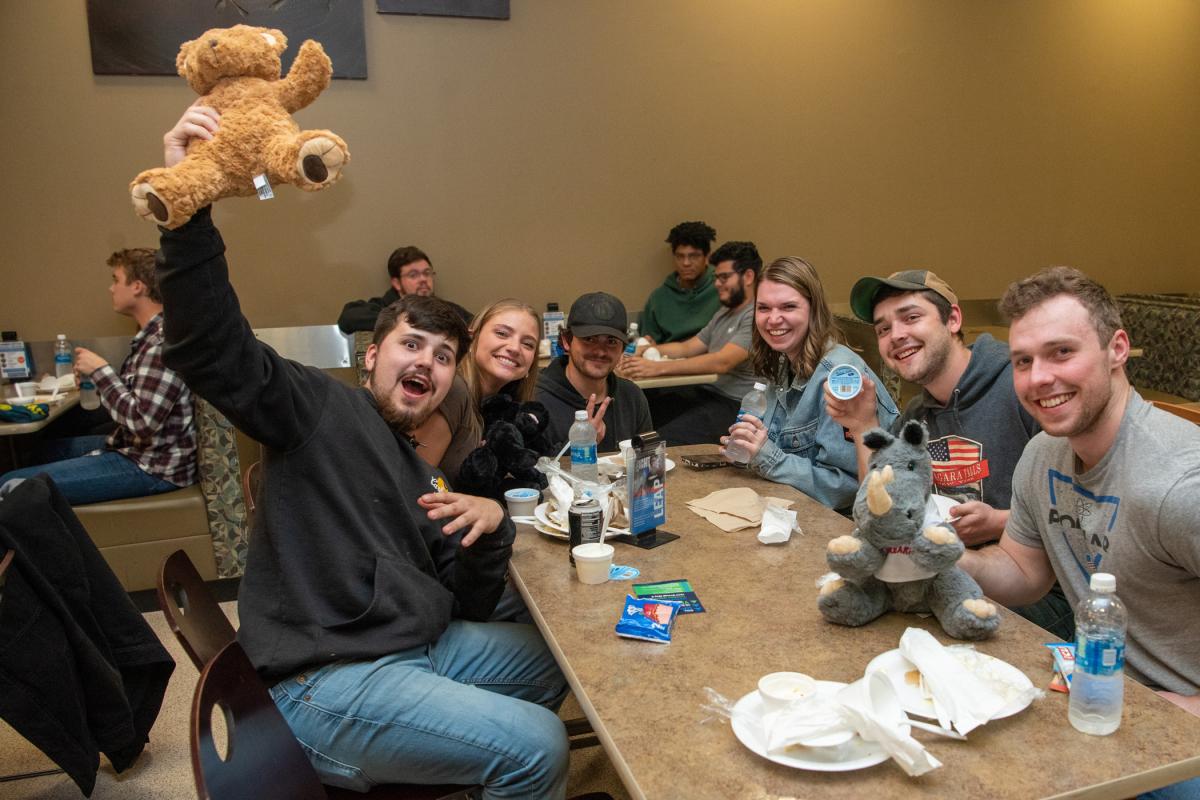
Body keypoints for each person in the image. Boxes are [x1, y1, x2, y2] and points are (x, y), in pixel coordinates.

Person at [156, 105, 570, 798]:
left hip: (415, 647)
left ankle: (456, 760)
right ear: (372, 356)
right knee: (538, 746)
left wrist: (490, 527)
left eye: (444, 356)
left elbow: (465, 599)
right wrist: (186, 211)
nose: (427, 363)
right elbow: (211, 350)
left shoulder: (420, 469)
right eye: (411, 345)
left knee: (562, 659)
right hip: (324, 681)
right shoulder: (316, 407)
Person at [959, 267, 1200, 729]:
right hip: (1102, 698)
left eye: (1062, 352)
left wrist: (1189, 710)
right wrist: (950, 560)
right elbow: (1023, 572)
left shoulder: (1179, 482)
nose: (1038, 378)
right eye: (1023, 361)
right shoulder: (1043, 454)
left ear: (1118, 349)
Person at [828, 269, 1071, 638]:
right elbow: (881, 504)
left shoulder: (1022, 387)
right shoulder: (917, 416)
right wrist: (863, 425)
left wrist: (1001, 521)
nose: (896, 335)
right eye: (883, 329)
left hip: (1042, 593)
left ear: (953, 319)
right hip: (947, 570)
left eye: (911, 317)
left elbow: (1082, 509)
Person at [0, 249, 197, 505]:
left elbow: (143, 422)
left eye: (116, 279)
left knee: (9, 484)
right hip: (138, 448)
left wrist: (101, 372)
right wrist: (97, 381)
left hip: (154, 466)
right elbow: (140, 399)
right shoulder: (152, 336)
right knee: (42, 451)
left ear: (137, 286)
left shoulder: (161, 343)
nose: (111, 288)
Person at [722, 257, 898, 512]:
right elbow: (772, 448)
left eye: (788, 307)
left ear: (813, 310)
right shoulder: (783, 361)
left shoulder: (837, 377)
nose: (773, 319)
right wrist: (747, 448)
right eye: (764, 308)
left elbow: (846, 489)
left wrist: (766, 457)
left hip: (846, 522)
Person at [621, 240, 761, 445]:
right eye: (716, 278)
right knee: (640, 410)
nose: (717, 284)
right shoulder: (724, 312)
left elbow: (722, 362)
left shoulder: (757, 315)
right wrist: (646, 349)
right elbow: (687, 347)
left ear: (748, 276)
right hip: (707, 394)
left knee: (659, 440)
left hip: (736, 405)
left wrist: (656, 368)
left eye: (724, 277)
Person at [435, 298, 544, 487]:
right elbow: (416, 479)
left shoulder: (506, 410)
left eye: (527, 344)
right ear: (472, 339)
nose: (514, 348)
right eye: (502, 334)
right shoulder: (453, 390)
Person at [537, 291, 652, 453]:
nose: (600, 351)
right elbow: (529, 466)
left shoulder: (632, 397)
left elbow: (647, 461)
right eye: (589, 339)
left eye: (611, 341)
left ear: (623, 349)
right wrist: (579, 445)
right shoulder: (537, 402)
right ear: (566, 341)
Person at [337, 245, 472, 333]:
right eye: (413, 275)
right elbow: (349, 318)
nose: (423, 279)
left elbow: (476, 325)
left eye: (427, 273)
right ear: (397, 283)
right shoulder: (382, 307)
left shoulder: (448, 310)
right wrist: (409, 319)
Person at [638, 220, 721, 344]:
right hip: (668, 354)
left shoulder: (722, 288)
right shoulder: (658, 298)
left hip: (713, 352)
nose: (686, 263)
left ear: (707, 257)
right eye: (680, 256)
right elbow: (647, 343)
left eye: (694, 256)